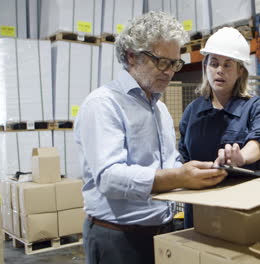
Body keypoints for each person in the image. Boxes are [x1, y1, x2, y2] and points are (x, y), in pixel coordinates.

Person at [74, 12, 227, 264]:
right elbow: (110, 178)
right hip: (117, 239)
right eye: (161, 62)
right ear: (132, 56)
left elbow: (166, 164)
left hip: (159, 233)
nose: (169, 72)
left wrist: (193, 172)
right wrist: (178, 177)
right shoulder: (103, 105)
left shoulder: (159, 109)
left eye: (175, 63)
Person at [178, 27, 260, 228]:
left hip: (241, 206)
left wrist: (241, 157)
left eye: (228, 65)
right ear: (205, 66)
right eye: (214, 63)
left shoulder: (254, 106)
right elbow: (183, 155)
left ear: (240, 71)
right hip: (199, 207)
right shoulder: (193, 110)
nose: (219, 70)